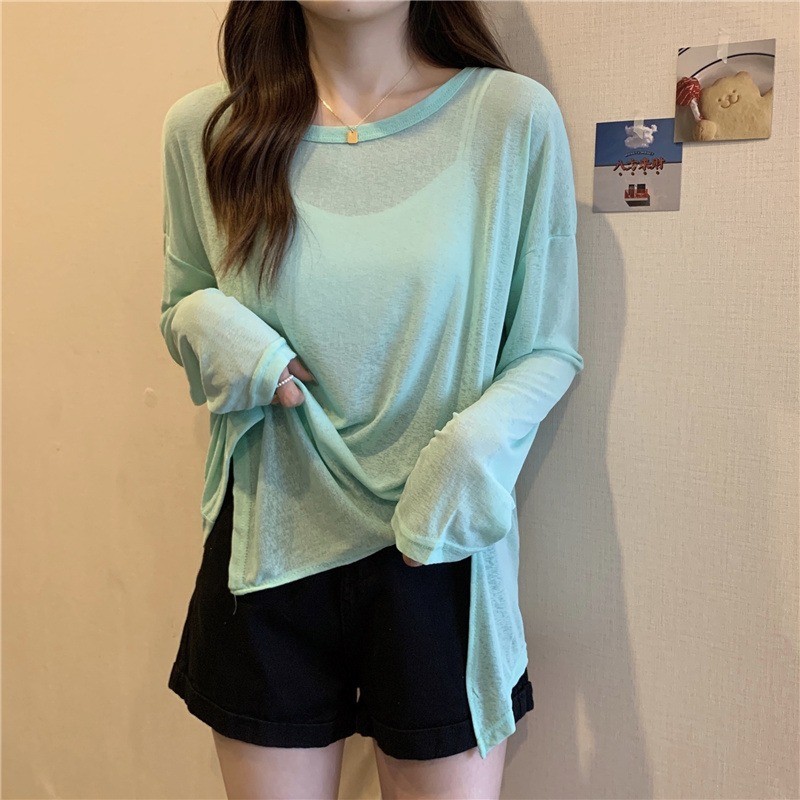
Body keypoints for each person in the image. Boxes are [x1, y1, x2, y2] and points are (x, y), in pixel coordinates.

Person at [160, 1, 585, 798]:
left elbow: (547, 346)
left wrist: (469, 452)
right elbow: (180, 298)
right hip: (266, 543)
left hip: (438, 543)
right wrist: (214, 325)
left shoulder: (509, 119)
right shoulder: (206, 129)